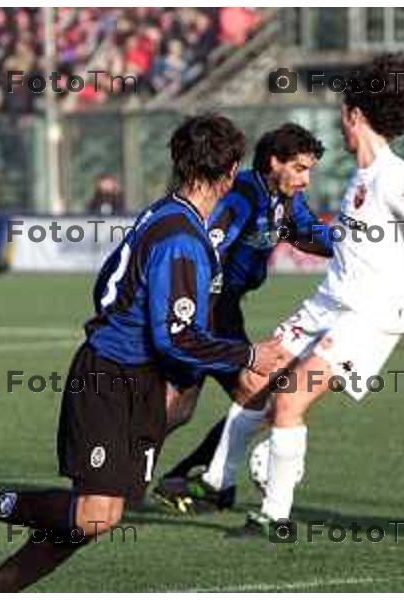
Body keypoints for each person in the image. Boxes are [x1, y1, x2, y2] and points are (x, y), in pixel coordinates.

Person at [0, 113, 281, 590]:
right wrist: (246, 357)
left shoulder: (168, 213)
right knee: (95, 513)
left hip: (135, 375)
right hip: (111, 377)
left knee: (93, 517)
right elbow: (175, 337)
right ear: (229, 171)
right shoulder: (181, 238)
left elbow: (109, 287)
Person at [227, 54, 404, 537]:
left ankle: (273, 518)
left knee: (289, 403)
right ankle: (242, 484)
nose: (339, 121)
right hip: (342, 309)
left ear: (355, 116)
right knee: (272, 396)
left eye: (342, 112)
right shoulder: (372, 176)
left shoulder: (387, 174)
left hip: (369, 319)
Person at [153, 123, 334, 512]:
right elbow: (206, 247)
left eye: (309, 171)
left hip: (225, 310)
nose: (306, 179)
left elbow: (316, 236)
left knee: (227, 399)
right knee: (211, 400)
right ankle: (144, 471)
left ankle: (191, 478)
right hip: (205, 310)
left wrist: (362, 246)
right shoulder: (243, 197)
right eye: (300, 168)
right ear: (275, 162)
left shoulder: (285, 201)